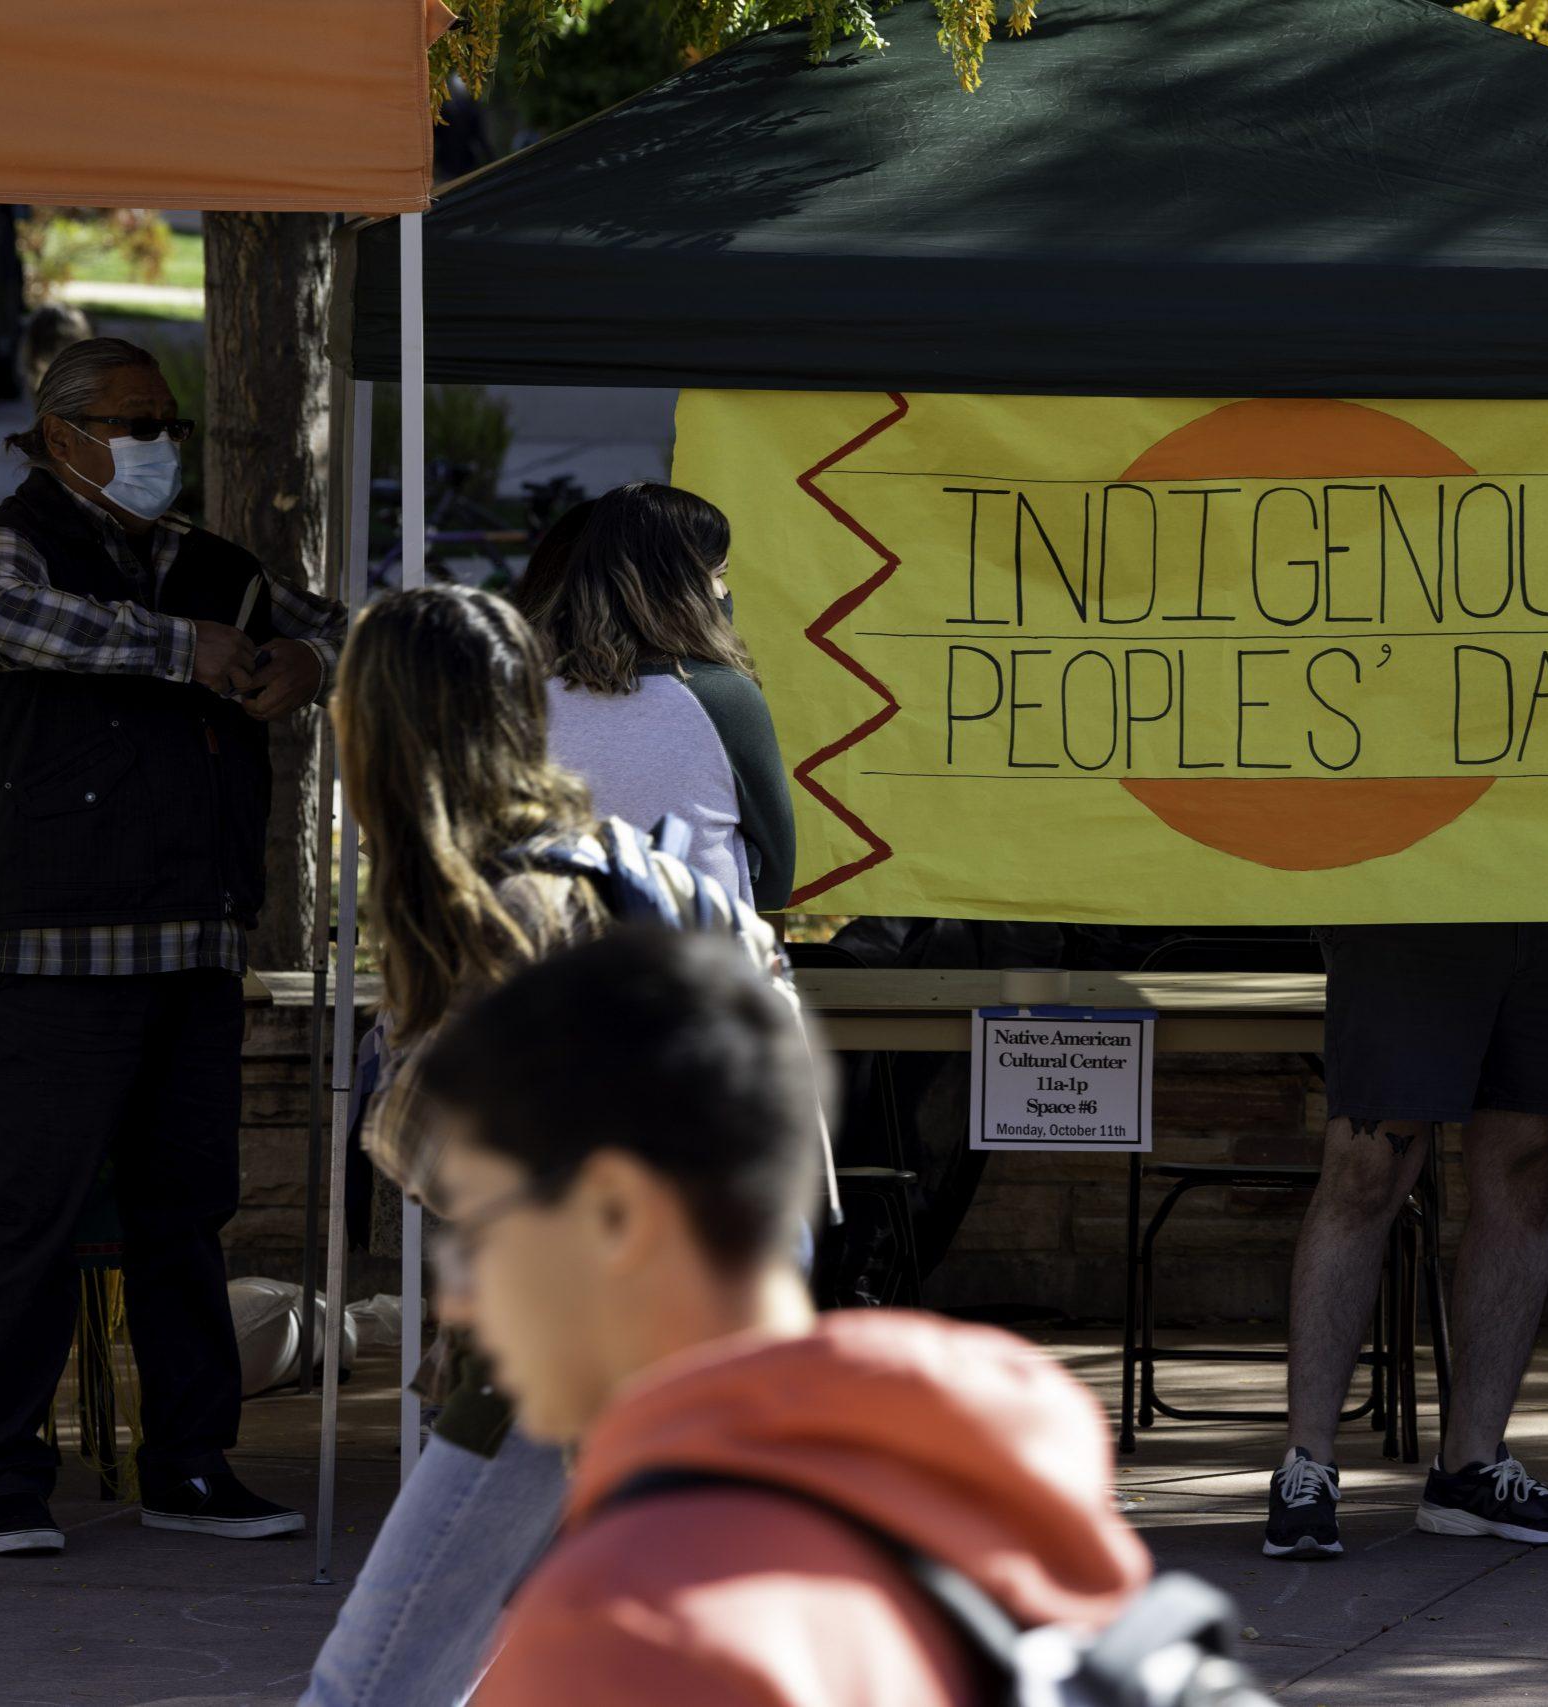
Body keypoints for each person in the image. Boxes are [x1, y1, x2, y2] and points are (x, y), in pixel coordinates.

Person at [415, 928, 1152, 1706]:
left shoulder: (624, 1624)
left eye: (477, 1229)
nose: (454, 1298)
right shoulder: (1028, 1468)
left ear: (615, 1212)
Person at [302, 585, 789, 1707]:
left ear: (389, 732)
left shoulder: (504, 910)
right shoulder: (598, 859)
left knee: (374, 1682)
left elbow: (439, 1145)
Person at [0, 337, 345, 1556]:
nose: (156, 445)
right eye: (131, 422)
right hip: (53, 954)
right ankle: (5, 1476)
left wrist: (305, 664)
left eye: (165, 423)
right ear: (61, 432)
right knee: (36, 1216)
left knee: (187, 1214)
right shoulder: (4, 545)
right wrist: (184, 650)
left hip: (193, 943)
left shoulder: (211, 564)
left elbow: (339, 630)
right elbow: (2, 622)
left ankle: (191, 1464)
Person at [1265, 937, 1548, 1552]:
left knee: (1526, 1171)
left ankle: (1470, 1472)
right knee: (1365, 1172)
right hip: (1413, 904)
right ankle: (1306, 1464)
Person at [511, 482, 796, 911]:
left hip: (547, 963)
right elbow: (775, 882)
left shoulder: (518, 695)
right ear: (681, 590)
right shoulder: (723, 699)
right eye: (718, 575)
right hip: (690, 968)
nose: (723, 592)